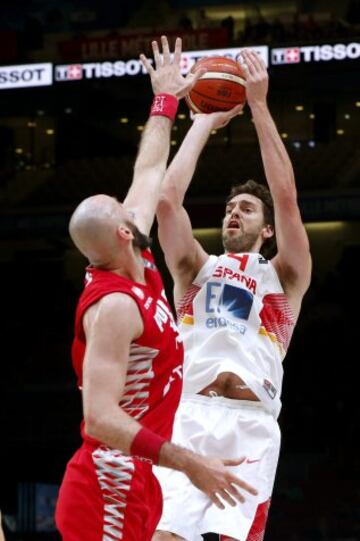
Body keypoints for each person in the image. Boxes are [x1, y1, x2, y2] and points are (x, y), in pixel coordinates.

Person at [55, 37, 257, 541]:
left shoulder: (132, 252)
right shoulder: (115, 307)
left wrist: (166, 100)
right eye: (124, 208)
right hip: (108, 480)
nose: (132, 204)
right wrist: (189, 462)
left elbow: (148, 172)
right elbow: (99, 418)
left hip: (139, 479)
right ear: (125, 231)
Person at [153, 49, 312, 541]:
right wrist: (200, 120)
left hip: (251, 425)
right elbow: (164, 202)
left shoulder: (284, 276)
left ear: (266, 230)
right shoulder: (195, 268)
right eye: (228, 208)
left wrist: (259, 106)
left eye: (245, 208)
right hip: (189, 418)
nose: (233, 214)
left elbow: (285, 197)